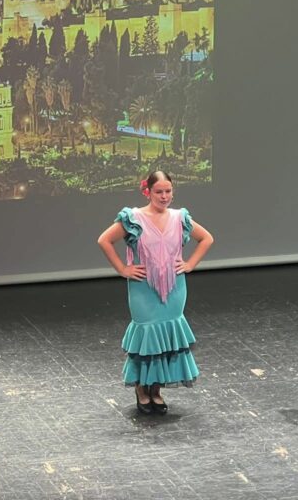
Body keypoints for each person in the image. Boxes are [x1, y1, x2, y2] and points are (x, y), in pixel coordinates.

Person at [97, 171, 214, 414]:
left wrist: (190, 264)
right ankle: (142, 388)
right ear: (147, 192)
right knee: (147, 337)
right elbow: (104, 240)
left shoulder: (180, 217)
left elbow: (206, 239)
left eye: (168, 191)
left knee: (166, 338)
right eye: (159, 192)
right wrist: (122, 268)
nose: (164, 196)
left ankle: (156, 390)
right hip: (143, 288)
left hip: (174, 289)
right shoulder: (133, 218)